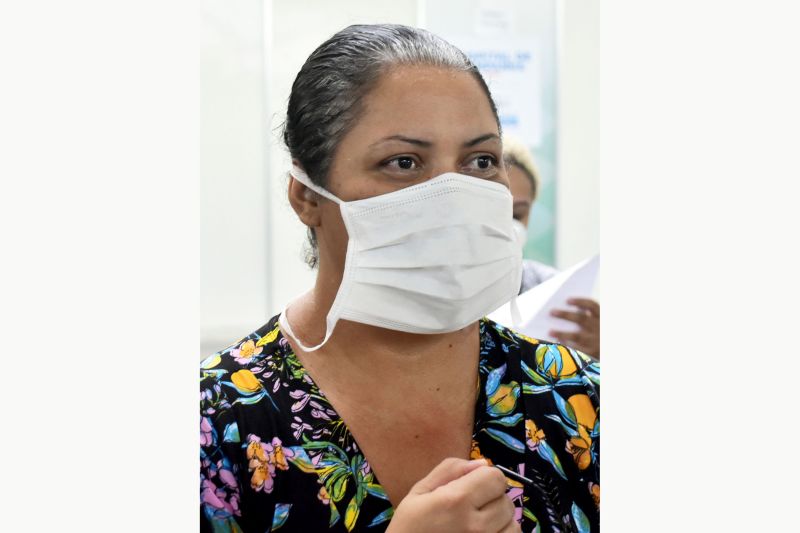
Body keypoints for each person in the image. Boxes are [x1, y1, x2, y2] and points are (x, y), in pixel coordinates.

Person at [200, 24, 599, 533]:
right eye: (403, 162)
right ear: (306, 196)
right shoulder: (219, 426)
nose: (455, 199)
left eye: (481, 160)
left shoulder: (578, 399)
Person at [503, 136, 601, 359]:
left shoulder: (551, 289)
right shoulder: (434, 293)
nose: (508, 226)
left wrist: (597, 353)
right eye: (497, 212)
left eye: (518, 214)